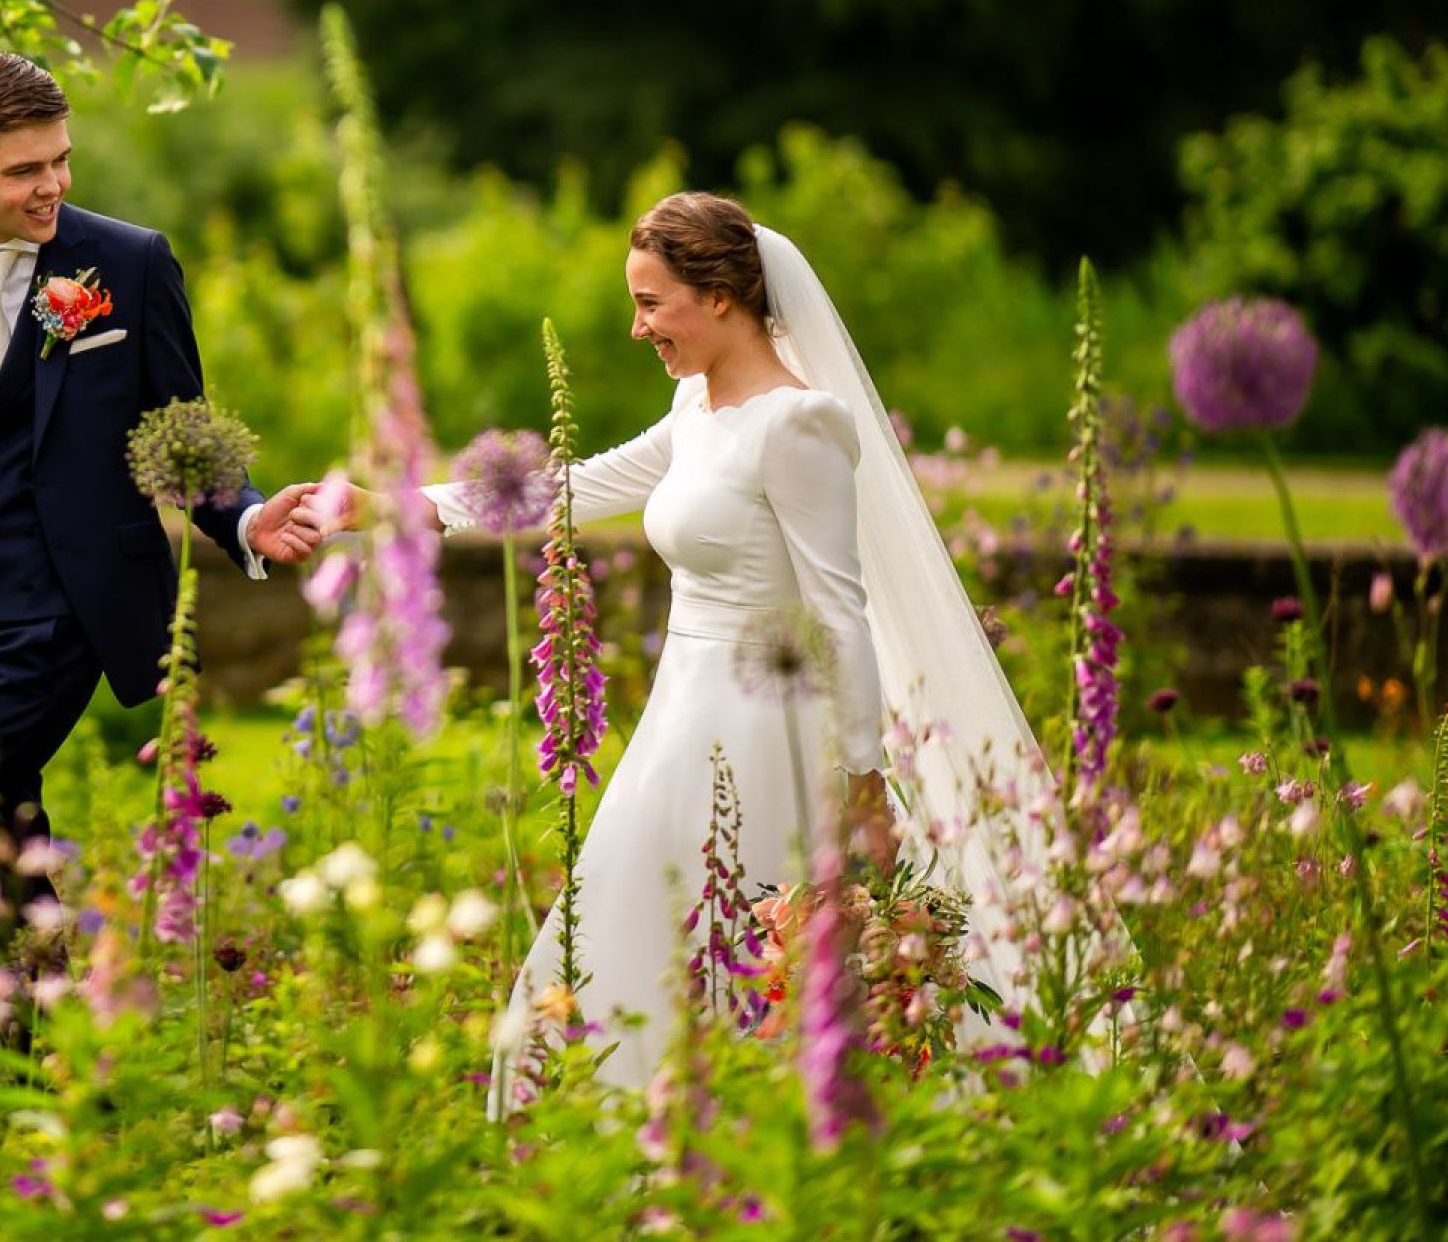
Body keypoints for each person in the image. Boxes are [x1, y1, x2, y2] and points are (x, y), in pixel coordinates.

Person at [334, 191, 1051, 1103]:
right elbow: (577, 486)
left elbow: (839, 614)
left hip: (764, 732)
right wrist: (394, 507)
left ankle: (740, 1136)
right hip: (682, 716)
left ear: (719, 296)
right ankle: (633, 1140)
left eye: (650, 303)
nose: (639, 329)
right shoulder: (696, 407)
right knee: (624, 922)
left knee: (739, 942)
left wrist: (865, 781)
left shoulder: (798, 424)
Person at [0, 52, 326, 1000]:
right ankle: (43, 1077)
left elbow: (181, 434)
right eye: (25, 170)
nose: (53, 187)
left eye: (61, 162)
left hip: (59, 617)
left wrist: (246, 517)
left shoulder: (126, 263)